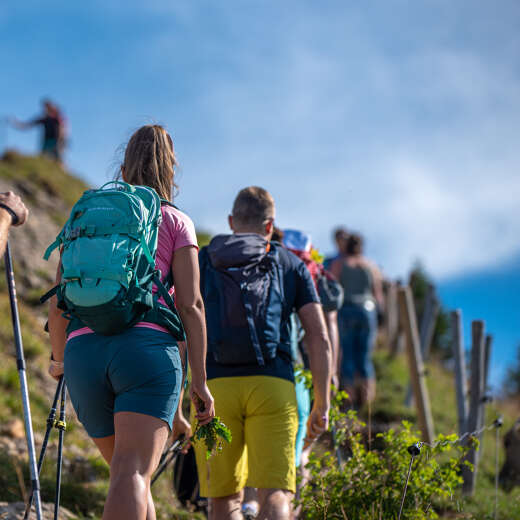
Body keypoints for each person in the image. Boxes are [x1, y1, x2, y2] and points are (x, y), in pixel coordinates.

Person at [47, 125, 215, 520]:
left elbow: (58, 304)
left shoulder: (87, 215)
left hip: (83, 357)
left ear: (123, 169)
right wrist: (200, 381)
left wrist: (58, 361)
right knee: (133, 472)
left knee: (129, 474)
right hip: (146, 354)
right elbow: (191, 305)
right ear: (170, 171)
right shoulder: (175, 221)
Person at [186, 186, 331, 520]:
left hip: (215, 386)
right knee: (276, 495)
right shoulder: (290, 262)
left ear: (231, 221)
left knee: (223, 499)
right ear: (270, 226)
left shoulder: (204, 259)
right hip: (274, 385)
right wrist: (321, 403)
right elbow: (319, 336)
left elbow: (185, 314)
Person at [330, 232, 384, 408]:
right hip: (367, 311)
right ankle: (368, 403)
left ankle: (349, 401)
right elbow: (377, 293)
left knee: (347, 357)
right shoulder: (371, 266)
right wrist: (380, 313)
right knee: (365, 358)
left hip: (346, 310)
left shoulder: (339, 264)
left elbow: (332, 287)